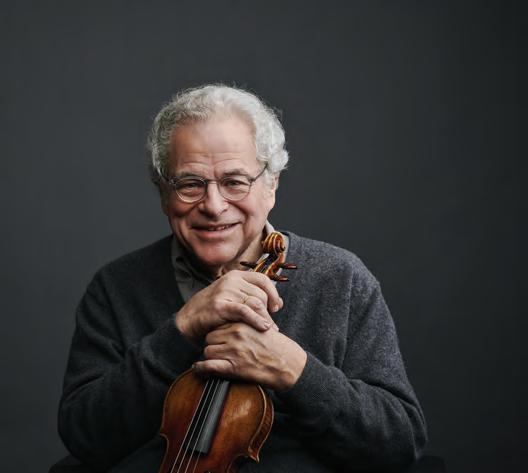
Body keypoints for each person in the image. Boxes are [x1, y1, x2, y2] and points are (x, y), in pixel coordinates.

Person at [58, 84, 427, 473]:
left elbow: (399, 441)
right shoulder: (116, 287)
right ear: (164, 193)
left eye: (234, 182)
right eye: (190, 184)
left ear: (271, 185)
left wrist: (294, 370)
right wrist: (181, 330)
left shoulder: (341, 279)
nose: (214, 206)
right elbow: (85, 438)